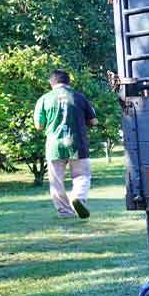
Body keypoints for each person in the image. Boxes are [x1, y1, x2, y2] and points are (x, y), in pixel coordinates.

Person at [33, 69, 97, 219]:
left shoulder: (44, 99)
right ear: (69, 82)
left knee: (56, 181)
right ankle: (78, 198)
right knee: (82, 175)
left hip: (54, 146)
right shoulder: (80, 97)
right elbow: (94, 121)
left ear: (51, 82)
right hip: (77, 144)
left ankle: (65, 212)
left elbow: (39, 125)